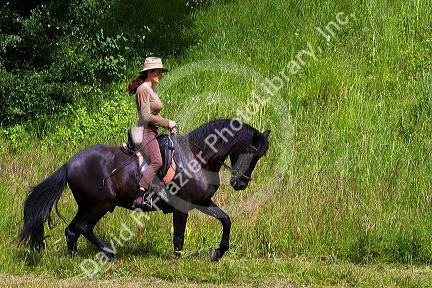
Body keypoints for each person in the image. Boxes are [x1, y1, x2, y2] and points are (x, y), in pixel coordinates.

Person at [125, 57, 176, 209]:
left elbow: (155, 114)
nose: (160, 74)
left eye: (161, 72)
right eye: (158, 72)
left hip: (154, 131)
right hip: (145, 132)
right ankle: (141, 196)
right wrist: (167, 123)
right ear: (149, 72)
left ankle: (161, 192)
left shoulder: (152, 89)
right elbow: (146, 117)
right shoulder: (142, 90)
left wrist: (168, 125)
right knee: (158, 161)